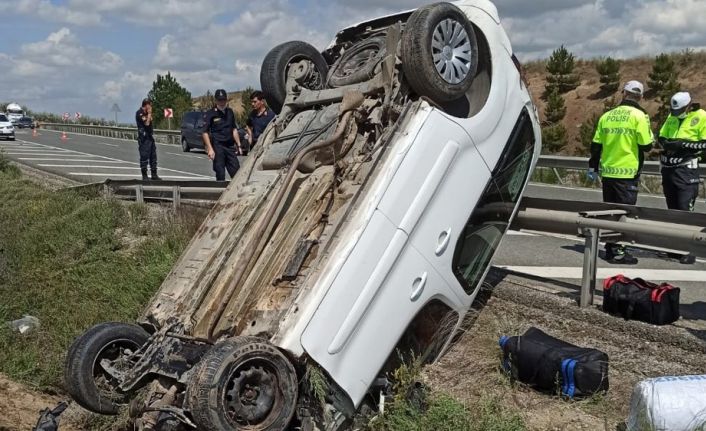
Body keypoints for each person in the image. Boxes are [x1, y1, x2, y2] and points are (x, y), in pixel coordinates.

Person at [588, 80, 654, 264]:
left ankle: (610, 248)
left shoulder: (607, 116)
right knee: (624, 214)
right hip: (627, 173)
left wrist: (593, 166)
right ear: (640, 97)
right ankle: (619, 252)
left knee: (610, 213)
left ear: (623, 93)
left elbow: (596, 145)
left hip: (608, 172)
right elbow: (646, 145)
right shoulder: (639, 116)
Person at [658, 92, 706, 264]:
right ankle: (676, 248)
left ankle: (689, 250)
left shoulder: (701, 117)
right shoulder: (672, 116)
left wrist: (683, 144)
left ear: (688, 105)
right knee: (673, 212)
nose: (676, 113)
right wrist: (666, 143)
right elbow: (661, 136)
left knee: (685, 211)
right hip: (669, 169)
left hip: (687, 171)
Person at [202, 89, 243, 181]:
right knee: (220, 173)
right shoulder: (210, 113)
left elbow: (234, 129)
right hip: (218, 146)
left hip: (229, 146)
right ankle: (220, 192)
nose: (222, 102)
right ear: (216, 100)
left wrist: (239, 145)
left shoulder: (230, 112)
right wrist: (210, 149)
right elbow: (205, 132)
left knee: (236, 172)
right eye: (220, 100)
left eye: (223, 100)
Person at [135, 98, 161, 180]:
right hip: (144, 138)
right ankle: (144, 175)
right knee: (144, 157)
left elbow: (151, 121)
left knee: (153, 156)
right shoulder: (140, 113)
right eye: (150, 105)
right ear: (146, 105)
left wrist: (149, 115)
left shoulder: (146, 113)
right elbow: (147, 123)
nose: (151, 107)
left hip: (150, 137)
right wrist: (149, 114)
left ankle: (154, 174)